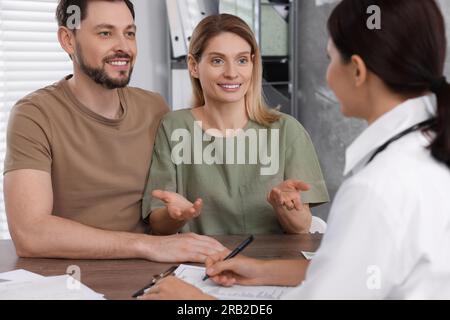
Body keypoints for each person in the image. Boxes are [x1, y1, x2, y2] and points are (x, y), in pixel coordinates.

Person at [140, 0, 450, 299]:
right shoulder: (422, 157)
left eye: (329, 59)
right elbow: (356, 273)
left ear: (356, 71)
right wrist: (262, 271)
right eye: (218, 60)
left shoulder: (376, 189)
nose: (326, 75)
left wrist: (197, 305)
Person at [3, 0, 225, 262]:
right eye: (105, 33)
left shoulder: (154, 107)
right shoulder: (34, 114)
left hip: (152, 272)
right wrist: (147, 246)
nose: (124, 46)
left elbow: (163, 214)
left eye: (129, 33)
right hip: (73, 278)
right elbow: (31, 233)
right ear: (68, 40)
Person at [141, 14, 329, 236]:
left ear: (252, 64)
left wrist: (284, 207)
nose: (232, 73)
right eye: (217, 60)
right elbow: (158, 222)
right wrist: (175, 216)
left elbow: (300, 228)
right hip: (202, 262)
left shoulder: (287, 131)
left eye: (241, 60)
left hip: (270, 264)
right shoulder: (173, 126)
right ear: (193, 66)